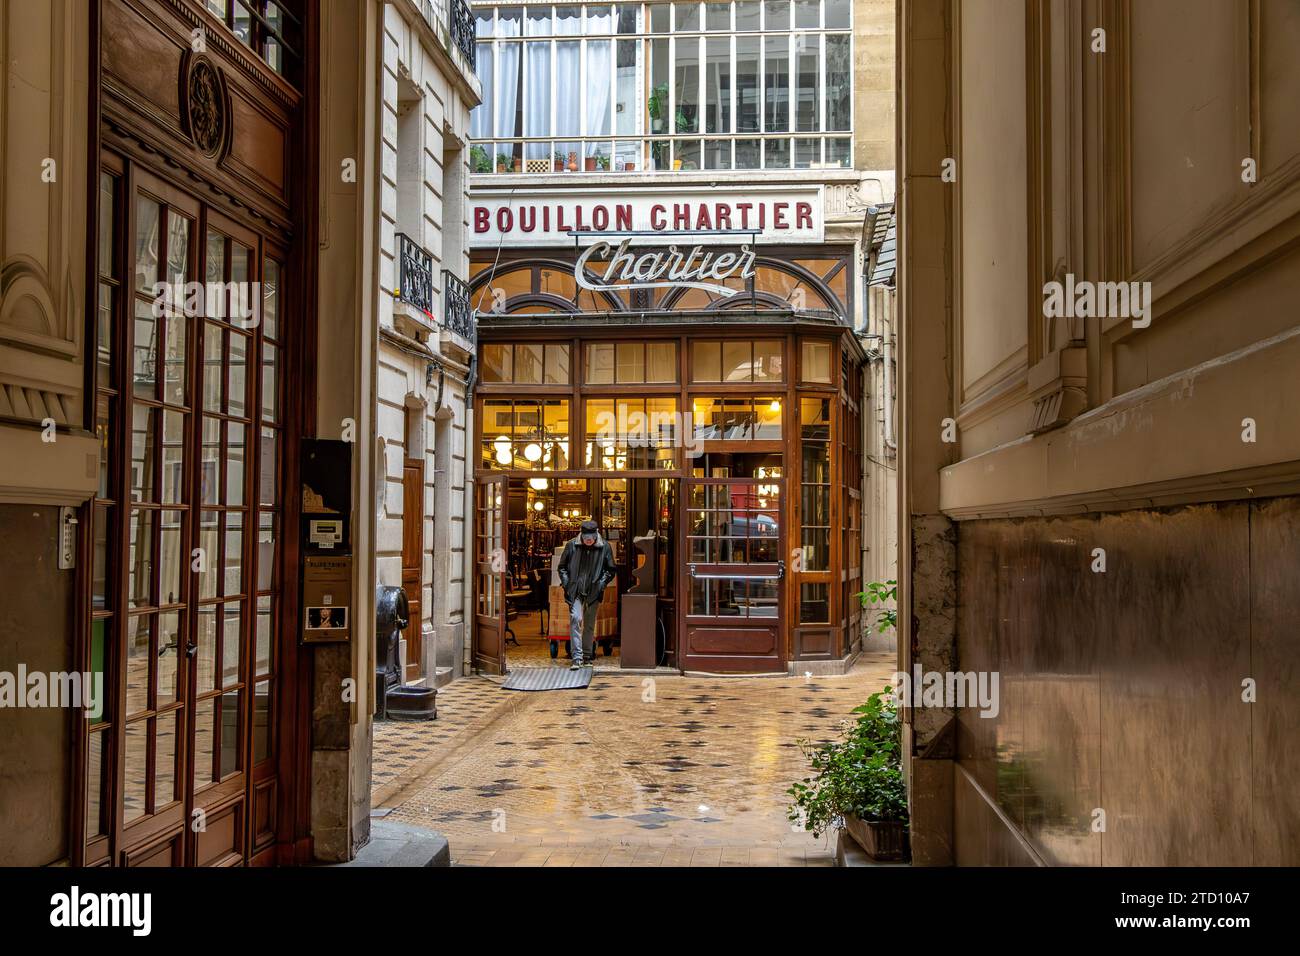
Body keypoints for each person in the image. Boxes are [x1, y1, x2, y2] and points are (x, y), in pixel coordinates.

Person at [557, 519, 617, 670]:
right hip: (575, 590)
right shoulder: (571, 545)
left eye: (591, 539)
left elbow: (610, 570)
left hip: (594, 590)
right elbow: (562, 567)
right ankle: (577, 658)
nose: (588, 541)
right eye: (585, 538)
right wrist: (567, 584)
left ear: (596, 535)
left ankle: (587, 656)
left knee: (589, 625)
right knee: (576, 618)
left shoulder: (605, 547)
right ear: (581, 535)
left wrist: (601, 584)